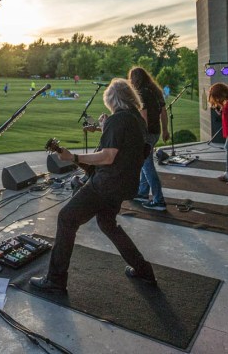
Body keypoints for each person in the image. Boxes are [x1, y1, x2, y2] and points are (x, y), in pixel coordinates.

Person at [30, 78, 156, 292]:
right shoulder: (136, 119)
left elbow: (107, 157)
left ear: (112, 99)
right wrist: (106, 128)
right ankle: (143, 270)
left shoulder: (119, 119)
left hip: (106, 184)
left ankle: (55, 280)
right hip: (124, 184)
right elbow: (128, 148)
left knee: (67, 218)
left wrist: (74, 156)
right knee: (107, 223)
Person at [128, 67, 170, 211]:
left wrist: (140, 136)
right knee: (145, 163)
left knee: (147, 166)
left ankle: (159, 200)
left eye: (131, 78)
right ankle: (143, 193)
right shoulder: (156, 92)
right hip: (156, 131)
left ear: (136, 79)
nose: (130, 81)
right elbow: (164, 112)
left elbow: (143, 117)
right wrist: (165, 130)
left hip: (146, 133)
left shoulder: (141, 93)